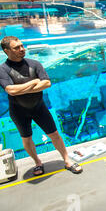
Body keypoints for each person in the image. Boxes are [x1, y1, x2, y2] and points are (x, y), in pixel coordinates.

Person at [0, 36, 82, 176]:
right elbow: (10, 90)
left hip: (39, 107)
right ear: (7, 51)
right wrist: (34, 82)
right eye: (17, 47)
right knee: (26, 138)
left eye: (22, 45)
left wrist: (21, 88)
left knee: (54, 134)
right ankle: (37, 162)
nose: (22, 49)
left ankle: (67, 160)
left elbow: (47, 83)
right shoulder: (3, 69)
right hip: (19, 111)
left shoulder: (34, 63)